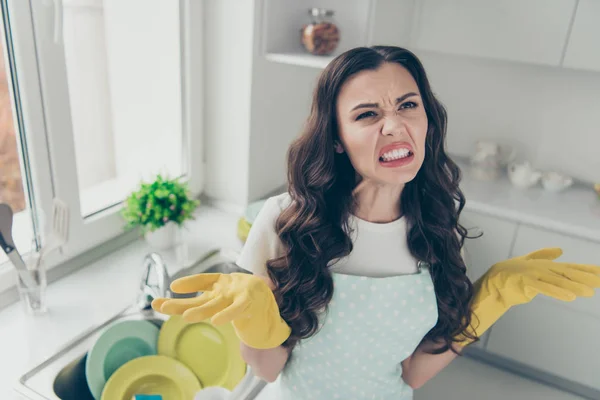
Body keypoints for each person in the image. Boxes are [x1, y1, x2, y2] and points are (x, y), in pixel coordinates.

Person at [152, 46, 600, 399]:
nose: (394, 124)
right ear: (338, 139)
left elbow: (412, 373)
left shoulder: (439, 228)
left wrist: (491, 299)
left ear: (427, 121)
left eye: (408, 105)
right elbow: (268, 369)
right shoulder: (286, 221)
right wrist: (255, 320)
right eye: (368, 114)